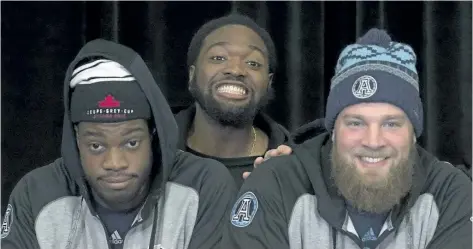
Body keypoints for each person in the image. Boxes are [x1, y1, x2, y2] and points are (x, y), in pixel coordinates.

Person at [223, 28, 472, 249]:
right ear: (333, 130)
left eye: (391, 123)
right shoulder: (276, 184)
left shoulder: (451, 194)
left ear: (413, 133)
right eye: (356, 123)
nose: (373, 141)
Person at [1, 39, 236, 249]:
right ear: (76, 139)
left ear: (153, 132)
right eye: (96, 146)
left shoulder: (204, 185)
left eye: (131, 143)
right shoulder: (36, 194)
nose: (115, 163)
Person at [175, 13, 293, 188]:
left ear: (268, 83)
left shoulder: (294, 167)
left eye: (253, 63)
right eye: (219, 58)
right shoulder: (152, 153)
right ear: (192, 74)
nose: (236, 70)